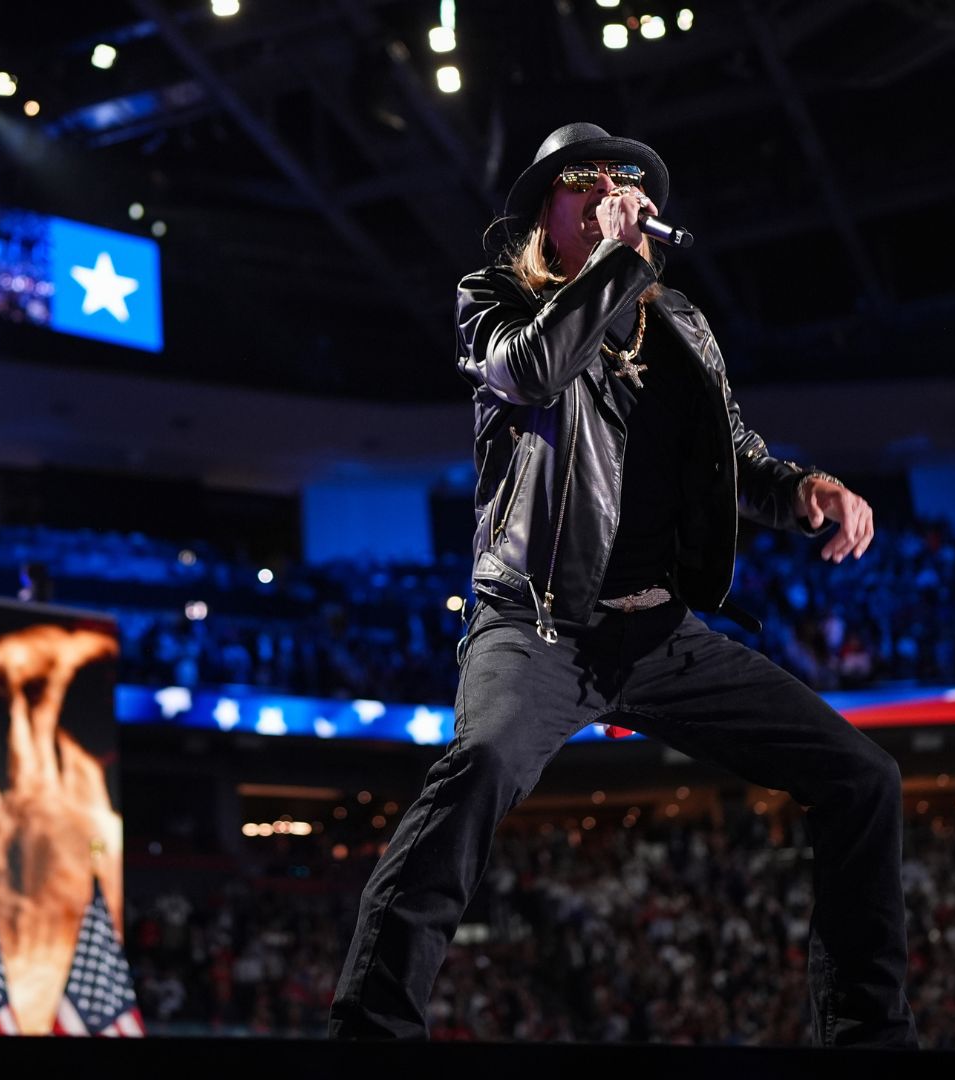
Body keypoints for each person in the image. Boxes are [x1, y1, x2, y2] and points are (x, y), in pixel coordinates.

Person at [329, 122, 915, 1048]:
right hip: (537, 623)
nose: (613, 191)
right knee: (478, 770)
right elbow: (531, 371)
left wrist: (806, 488)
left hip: (659, 634)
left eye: (627, 180)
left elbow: (735, 456)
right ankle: (372, 1031)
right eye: (586, 181)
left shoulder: (678, 319)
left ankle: (868, 1036)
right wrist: (610, 263)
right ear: (546, 216)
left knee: (862, 778)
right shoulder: (495, 301)